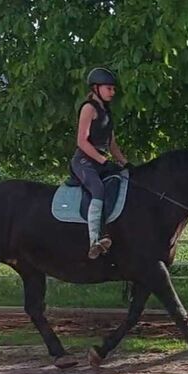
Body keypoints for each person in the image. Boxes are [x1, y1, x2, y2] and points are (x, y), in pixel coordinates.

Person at [71, 67, 129, 259]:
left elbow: (112, 144)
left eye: (113, 89)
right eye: (109, 88)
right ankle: (95, 240)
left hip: (100, 162)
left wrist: (125, 163)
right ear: (96, 88)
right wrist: (103, 161)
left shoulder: (107, 111)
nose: (113, 92)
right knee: (98, 189)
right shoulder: (89, 108)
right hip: (84, 162)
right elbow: (81, 141)